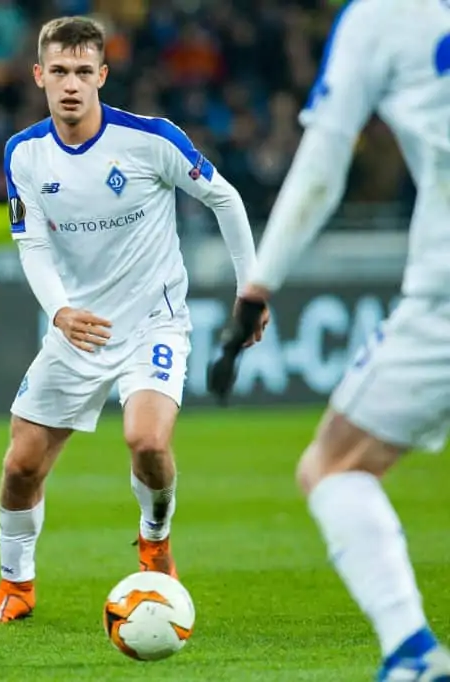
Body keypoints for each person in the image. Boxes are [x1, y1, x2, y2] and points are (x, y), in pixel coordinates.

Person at [0, 15, 267, 626]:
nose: (71, 84)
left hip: (152, 322)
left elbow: (225, 198)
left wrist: (250, 292)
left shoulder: (150, 140)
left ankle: (154, 537)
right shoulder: (24, 153)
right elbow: (32, 244)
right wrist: (59, 311)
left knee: (147, 441)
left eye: (83, 71)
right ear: (38, 76)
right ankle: (15, 586)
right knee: (21, 463)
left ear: (103, 75)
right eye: (59, 72)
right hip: (77, 327)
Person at [207, 1, 450, 679]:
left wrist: (257, 285)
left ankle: (411, 653)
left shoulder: (383, 16)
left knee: (335, 465)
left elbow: (321, 167)